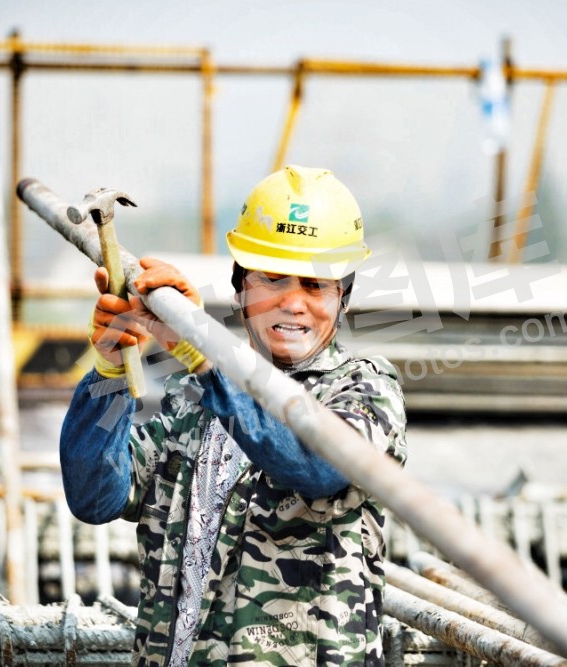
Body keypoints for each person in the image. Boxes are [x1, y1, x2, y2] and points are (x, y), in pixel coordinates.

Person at [59, 165, 408, 667]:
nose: (293, 303)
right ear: (241, 285)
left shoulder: (364, 389)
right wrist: (111, 365)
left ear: (343, 297)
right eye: (273, 278)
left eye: (315, 285)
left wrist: (204, 353)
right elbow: (95, 496)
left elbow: (316, 464)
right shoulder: (191, 398)